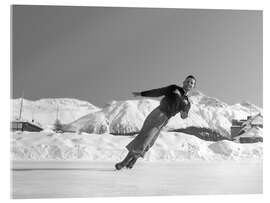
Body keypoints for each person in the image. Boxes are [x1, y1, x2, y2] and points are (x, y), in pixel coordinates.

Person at [115, 75, 196, 170]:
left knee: (150, 141)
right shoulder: (174, 88)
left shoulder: (187, 103)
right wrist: (141, 93)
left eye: (192, 83)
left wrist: (184, 115)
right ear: (183, 82)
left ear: (193, 86)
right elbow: (158, 92)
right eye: (188, 81)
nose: (189, 84)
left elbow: (183, 115)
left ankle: (133, 160)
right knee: (145, 137)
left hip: (165, 120)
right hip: (158, 113)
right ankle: (125, 162)